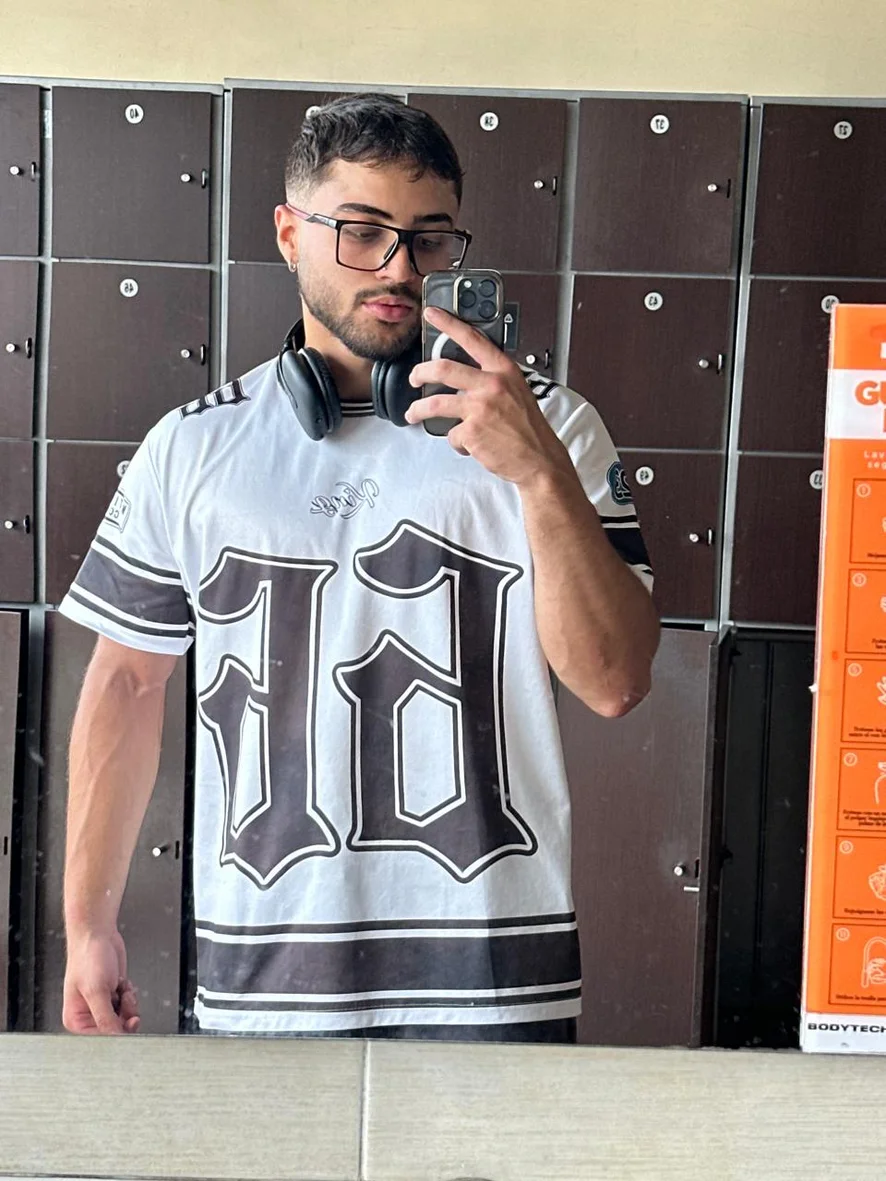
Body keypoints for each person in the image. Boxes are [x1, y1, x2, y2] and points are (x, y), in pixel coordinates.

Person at [59, 92, 659, 1042]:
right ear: (289, 234)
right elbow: (127, 681)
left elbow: (615, 681)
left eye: (428, 238)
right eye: (363, 231)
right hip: (264, 981)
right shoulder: (191, 447)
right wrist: (89, 923)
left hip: (495, 981)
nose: (399, 267)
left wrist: (539, 473)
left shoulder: (552, 428)